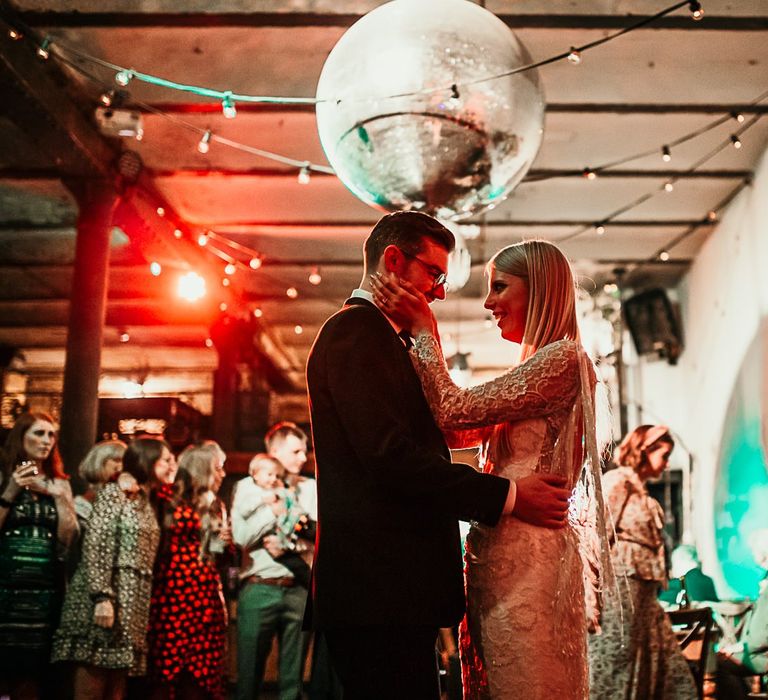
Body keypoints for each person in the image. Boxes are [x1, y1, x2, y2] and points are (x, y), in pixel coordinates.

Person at [306, 211, 572, 698]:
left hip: (391, 593)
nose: (441, 292)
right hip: (378, 590)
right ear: (392, 261)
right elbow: (393, 460)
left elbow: (433, 431)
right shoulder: (358, 333)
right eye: (434, 273)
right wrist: (507, 495)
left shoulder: (384, 340)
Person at [370, 236, 608, 698]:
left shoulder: (561, 359)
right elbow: (459, 432)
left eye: (500, 286)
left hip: (529, 555)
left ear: (537, 289)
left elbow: (453, 412)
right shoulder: (540, 364)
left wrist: (424, 332)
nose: (488, 302)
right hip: (503, 553)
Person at [51, 437, 166, 699]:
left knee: (115, 687)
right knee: (93, 682)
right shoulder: (110, 494)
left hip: (129, 602)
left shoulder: (141, 497)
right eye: (115, 460)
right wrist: (102, 595)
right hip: (102, 595)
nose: (120, 466)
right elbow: (97, 544)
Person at [588, 425, 697, 699]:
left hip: (644, 595)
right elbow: (598, 532)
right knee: (618, 668)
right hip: (623, 590)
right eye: (664, 454)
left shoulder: (639, 491)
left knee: (666, 674)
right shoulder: (618, 482)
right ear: (645, 451)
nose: (667, 462)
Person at [0, 411, 78, 699]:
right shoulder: (3, 475)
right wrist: (11, 490)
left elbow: (66, 541)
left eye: (51, 434)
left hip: (42, 592)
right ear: (21, 437)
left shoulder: (59, 482)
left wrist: (57, 497)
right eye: (38, 433)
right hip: (5, 589)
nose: (46, 440)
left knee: (32, 674)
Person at [147, 444, 227, 700]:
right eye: (217, 469)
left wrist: (224, 542)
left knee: (201, 671)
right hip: (174, 590)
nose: (222, 474)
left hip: (205, 593)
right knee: (169, 666)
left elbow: (217, 553)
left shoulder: (215, 504)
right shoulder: (168, 497)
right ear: (202, 470)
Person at [232, 453, 309, 700]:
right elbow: (242, 538)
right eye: (294, 450)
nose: (303, 456)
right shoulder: (247, 489)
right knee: (249, 672)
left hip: (296, 587)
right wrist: (272, 512)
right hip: (259, 586)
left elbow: (306, 529)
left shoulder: (305, 488)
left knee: (292, 678)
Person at [715, 529, 768, 700]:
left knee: (716, 663)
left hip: (763, 656)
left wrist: (740, 647)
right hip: (760, 651)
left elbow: (760, 638)